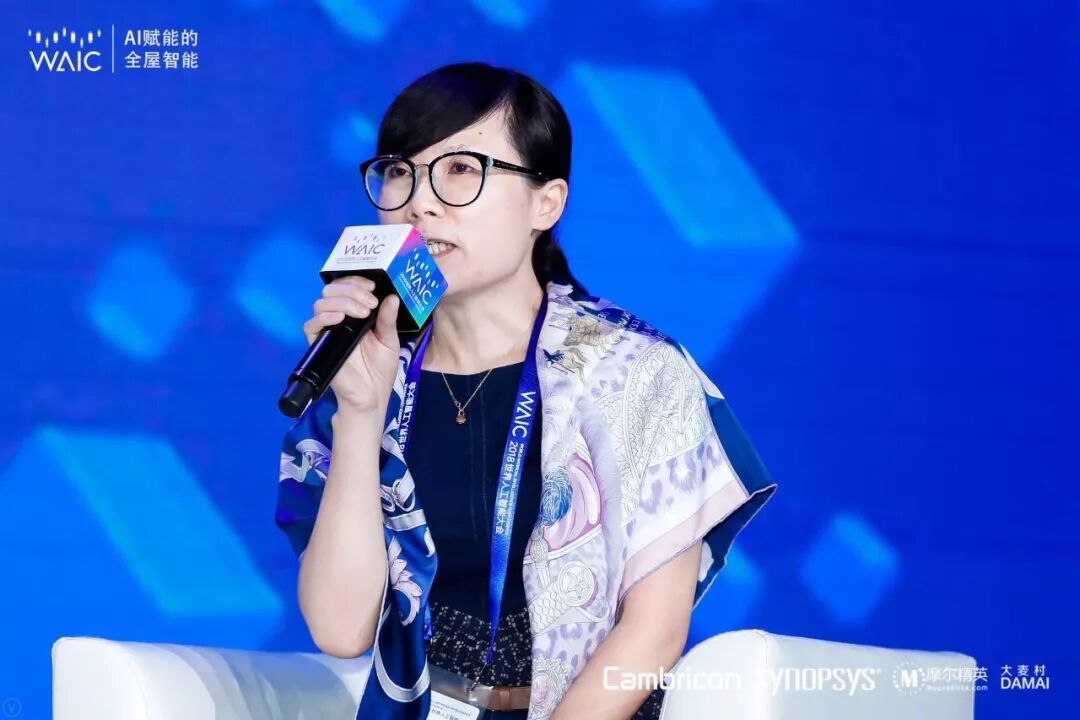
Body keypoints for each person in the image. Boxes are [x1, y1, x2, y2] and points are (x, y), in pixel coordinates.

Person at [276, 62, 777, 720]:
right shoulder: (365, 372)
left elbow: (653, 633)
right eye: (399, 171)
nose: (419, 202)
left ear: (548, 202)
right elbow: (341, 629)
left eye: (461, 169)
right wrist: (362, 412)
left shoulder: (634, 371)